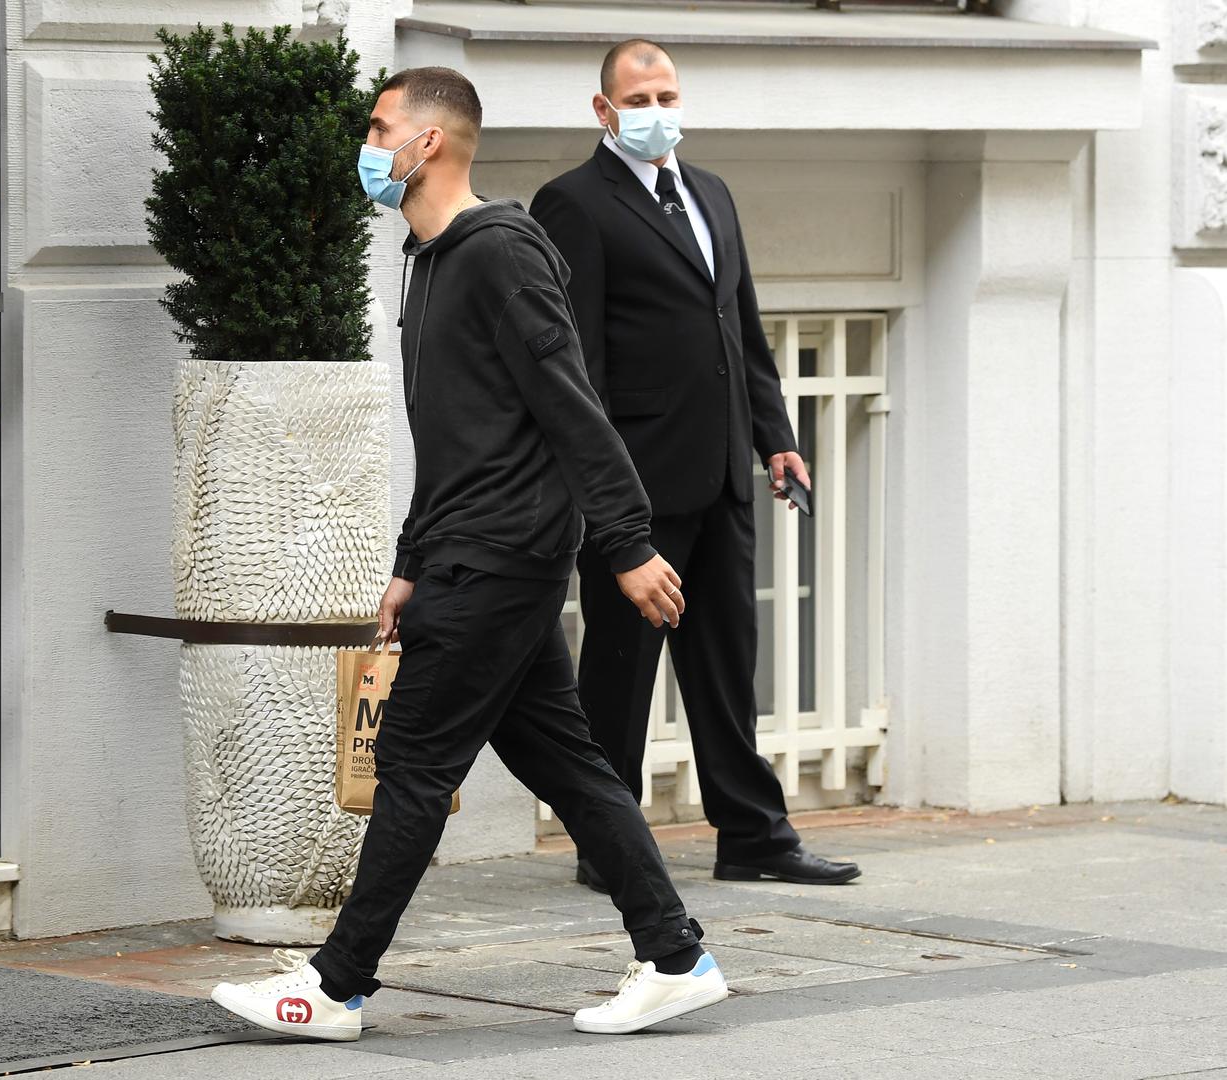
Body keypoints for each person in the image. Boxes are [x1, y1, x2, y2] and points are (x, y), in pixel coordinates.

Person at [210, 66, 729, 1043]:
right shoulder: (432, 259)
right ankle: (674, 956)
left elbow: (569, 402)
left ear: (430, 142)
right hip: (468, 550)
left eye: (379, 128)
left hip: (497, 556)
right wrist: (409, 561)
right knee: (568, 763)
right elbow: (455, 439)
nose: (368, 147)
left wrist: (626, 540)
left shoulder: (500, 252)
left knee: (411, 763)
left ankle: (336, 986)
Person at [529, 40, 860, 890]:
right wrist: (602, 494)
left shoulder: (710, 191)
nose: (656, 112)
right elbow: (577, 364)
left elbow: (739, 328)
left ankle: (752, 836)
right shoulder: (572, 203)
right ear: (603, 110)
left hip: (720, 475)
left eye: (666, 96)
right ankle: (607, 844)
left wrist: (774, 437)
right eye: (638, 100)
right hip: (635, 486)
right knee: (620, 667)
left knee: (724, 663)